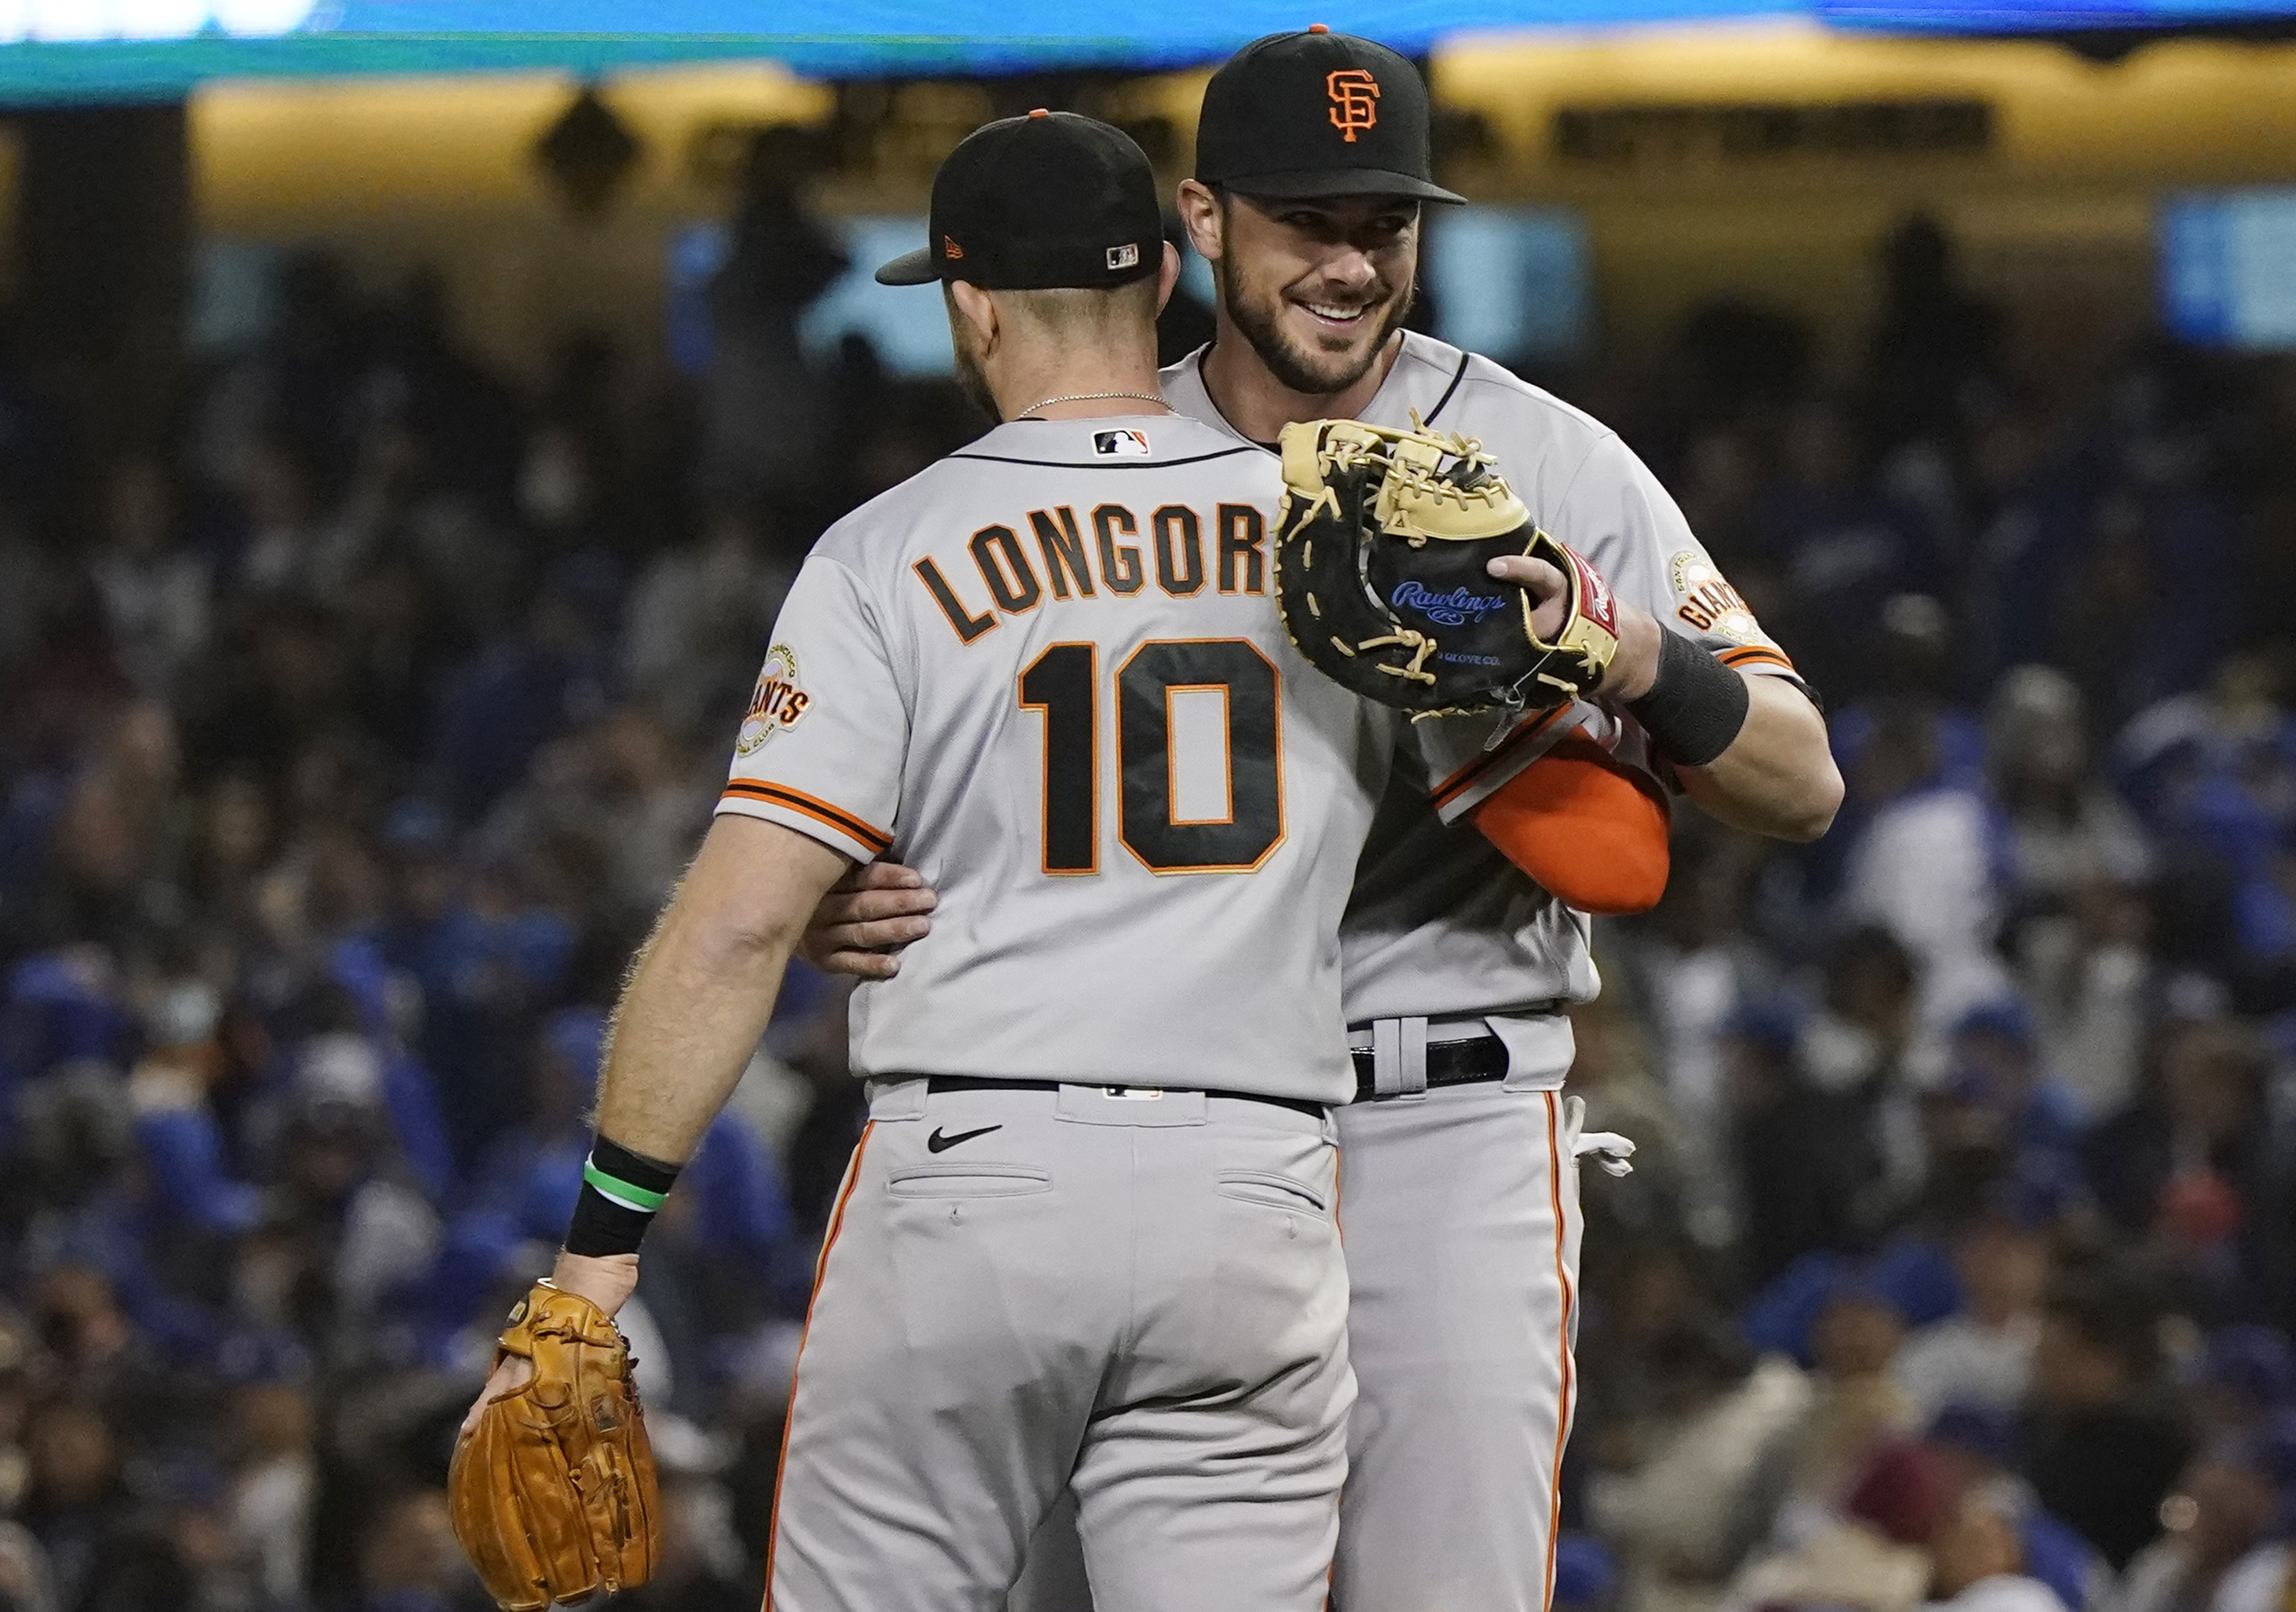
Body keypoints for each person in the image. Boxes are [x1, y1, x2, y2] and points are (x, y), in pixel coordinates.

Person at [804, 30, 1843, 1612]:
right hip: (1152, 1133)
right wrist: (849, 895)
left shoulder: (1539, 455)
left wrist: (1624, 648)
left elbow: (1802, 776)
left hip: (1442, 1111)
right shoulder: (1088, 463)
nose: (1352, 263)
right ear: (1207, 223)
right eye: (1311, 221)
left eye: (1387, 224)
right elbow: (931, 808)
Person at [459, 108, 1542, 1612]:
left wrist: (597, 1261)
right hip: (1258, 1197)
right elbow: (1570, 825)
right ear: (1168, 276)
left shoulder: (882, 551)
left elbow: (728, 933)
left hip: (976, 1177)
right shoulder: (1330, 534)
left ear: (967, 304)